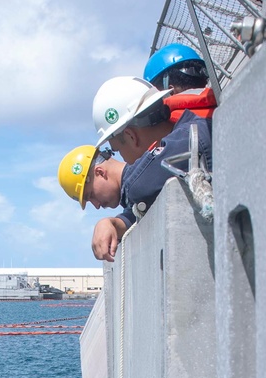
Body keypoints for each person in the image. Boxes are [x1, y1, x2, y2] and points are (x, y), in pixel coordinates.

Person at [89, 75, 213, 262]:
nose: (122, 157)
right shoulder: (188, 128)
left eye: (118, 149)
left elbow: (139, 186)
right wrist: (113, 222)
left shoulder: (190, 136)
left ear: (131, 136)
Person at [57, 144, 125, 210]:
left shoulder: (134, 192)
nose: (97, 206)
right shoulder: (130, 199)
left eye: (91, 195)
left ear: (100, 172)